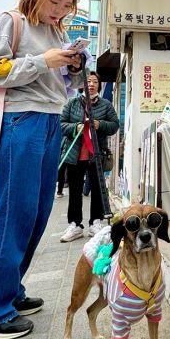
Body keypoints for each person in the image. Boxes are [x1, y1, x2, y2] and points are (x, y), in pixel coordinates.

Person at [0, 0, 83, 339]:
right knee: (12, 212)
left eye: (67, 6)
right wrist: (42, 61)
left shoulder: (56, 32)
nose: (60, 11)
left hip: (49, 121)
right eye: (54, 2)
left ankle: (8, 291)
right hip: (18, 120)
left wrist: (74, 66)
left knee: (36, 213)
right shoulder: (10, 21)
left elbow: (62, 85)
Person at [60, 71, 119, 242]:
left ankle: (96, 222)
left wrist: (100, 124)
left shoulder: (106, 104)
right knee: (75, 191)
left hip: (97, 154)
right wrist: (76, 128)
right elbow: (62, 124)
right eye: (88, 81)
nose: (91, 84)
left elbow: (115, 125)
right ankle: (74, 225)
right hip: (75, 155)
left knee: (98, 190)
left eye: (95, 82)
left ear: (99, 86)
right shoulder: (72, 104)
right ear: (82, 85)